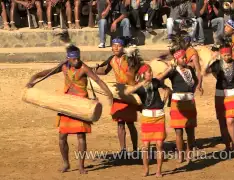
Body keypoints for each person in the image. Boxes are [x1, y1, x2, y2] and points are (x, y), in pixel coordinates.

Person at [26, 45, 113, 174]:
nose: (77, 61)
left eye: (78, 58)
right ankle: (66, 163)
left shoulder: (84, 68)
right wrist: (33, 79)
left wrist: (109, 95)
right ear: (68, 58)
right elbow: (47, 73)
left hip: (81, 105)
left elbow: (98, 80)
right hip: (66, 104)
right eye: (74, 59)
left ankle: (81, 166)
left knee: (81, 136)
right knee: (62, 136)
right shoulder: (63, 66)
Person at [203, 44, 234, 150]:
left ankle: (233, 144)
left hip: (233, 93)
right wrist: (210, 60)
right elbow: (204, 72)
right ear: (221, 55)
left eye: (229, 55)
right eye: (224, 55)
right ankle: (227, 146)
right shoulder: (217, 64)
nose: (227, 57)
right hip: (220, 94)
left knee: (230, 120)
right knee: (222, 121)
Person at [95, 37, 140, 154]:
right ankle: (123, 150)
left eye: (118, 45)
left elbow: (137, 70)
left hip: (129, 92)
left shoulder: (129, 58)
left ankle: (135, 149)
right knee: (120, 123)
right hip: (118, 93)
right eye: (114, 45)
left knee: (130, 123)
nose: (116, 47)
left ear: (123, 47)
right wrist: (91, 70)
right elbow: (104, 71)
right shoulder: (111, 59)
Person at [125, 64, 171, 177]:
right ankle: (146, 169)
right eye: (148, 72)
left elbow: (167, 88)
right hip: (147, 118)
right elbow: (127, 92)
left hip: (159, 116)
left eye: (151, 71)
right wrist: (141, 83)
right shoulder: (139, 87)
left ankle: (159, 171)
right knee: (146, 146)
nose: (150, 73)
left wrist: (164, 101)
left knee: (159, 145)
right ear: (143, 74)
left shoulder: (156, 81)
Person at [162, 49, 198, 163]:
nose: (185, 59)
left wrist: (192, 92)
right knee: (178, 131)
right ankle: (180, 154)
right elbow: (159, 79)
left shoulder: (190, 69)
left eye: (185, 57)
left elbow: (195, 82)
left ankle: (189, 153)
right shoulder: (173, 71)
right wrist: (167, 88)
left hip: (190, 102)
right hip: (177, 103)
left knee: (190, 130)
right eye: (182, 58)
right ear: (176, 60)